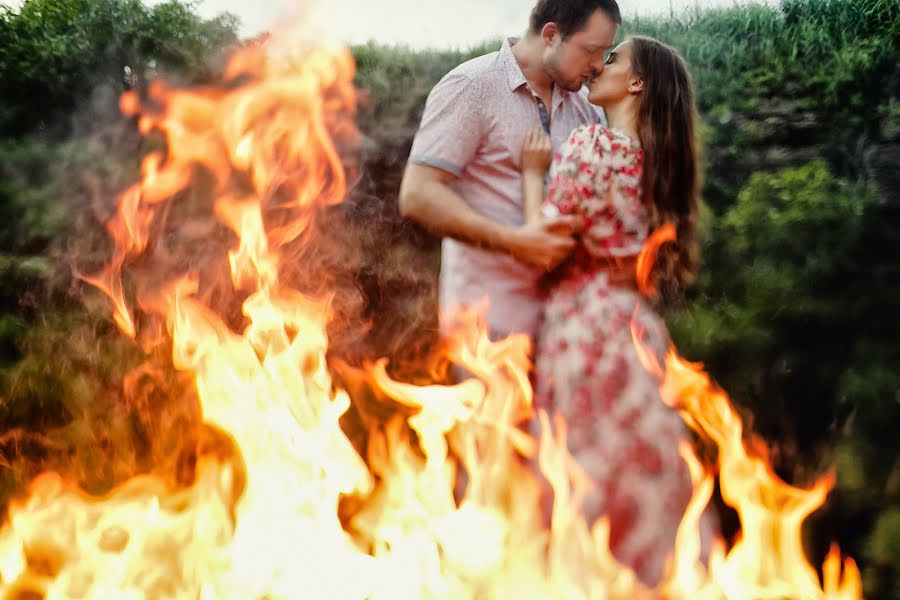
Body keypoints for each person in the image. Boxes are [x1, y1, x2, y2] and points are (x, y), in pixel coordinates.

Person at [521, 36, 707, 586]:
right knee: (645, 484)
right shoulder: (660, 165)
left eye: (615, 59)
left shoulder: (591, 147)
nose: (601, 65)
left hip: (585, 330)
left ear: (636, 83)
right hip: (639, 333)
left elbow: (542, 246)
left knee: (579, 484)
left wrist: (535, 172)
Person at [399, 0, 621, 341]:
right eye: (591, 50)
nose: (597, 65)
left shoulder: (587, 109)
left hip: (567, 328)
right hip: (487, 326)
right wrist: (515, 242)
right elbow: (418, 195)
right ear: (551, 35)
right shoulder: (471, 86)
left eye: (604, 52)